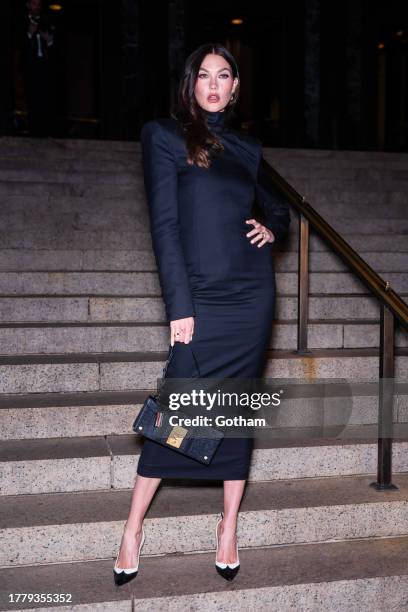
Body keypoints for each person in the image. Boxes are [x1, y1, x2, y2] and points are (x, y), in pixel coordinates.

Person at [113, 42, 291, 586]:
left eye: (224, 76)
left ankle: (228, 525)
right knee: (177, 411)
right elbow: (164, 227)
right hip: (201, 297)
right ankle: (132, 529)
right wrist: (179, 306)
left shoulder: (248, 147)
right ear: (191, 84)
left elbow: (278, 205)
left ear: (236, 87)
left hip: (251, 295)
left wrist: (273, 228)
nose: (214, 85)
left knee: (237, 412)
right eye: (204, 76)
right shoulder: (163, 136)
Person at [23, 0, 57, 136]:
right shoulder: (22, 22)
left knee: (46, 98)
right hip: (31, 67)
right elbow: (19, 44)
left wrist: (49, 40)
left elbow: (56, 46)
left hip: (45, 66)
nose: (36, 6)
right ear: (28, 5)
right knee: (32, 98)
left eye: (38, 4)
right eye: (33, 3)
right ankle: (33, 131)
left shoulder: (47, 20)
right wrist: (29, 34)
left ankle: (46, 130)